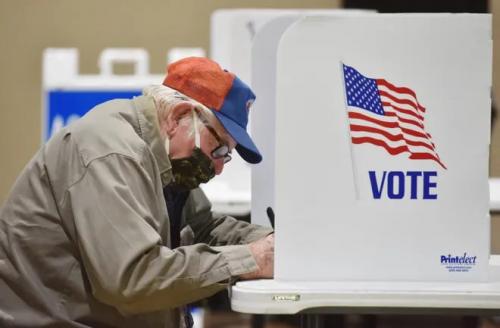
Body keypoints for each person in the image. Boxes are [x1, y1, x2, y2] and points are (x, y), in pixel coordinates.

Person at [0, 57, 274, 328]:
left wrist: (273, 244)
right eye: (219, 148)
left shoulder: (164, 158)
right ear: (179, 116)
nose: (218, 167)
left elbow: (202, 227)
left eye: (227, 155)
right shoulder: (109, 151)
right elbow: (132, 279)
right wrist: (252, 259)